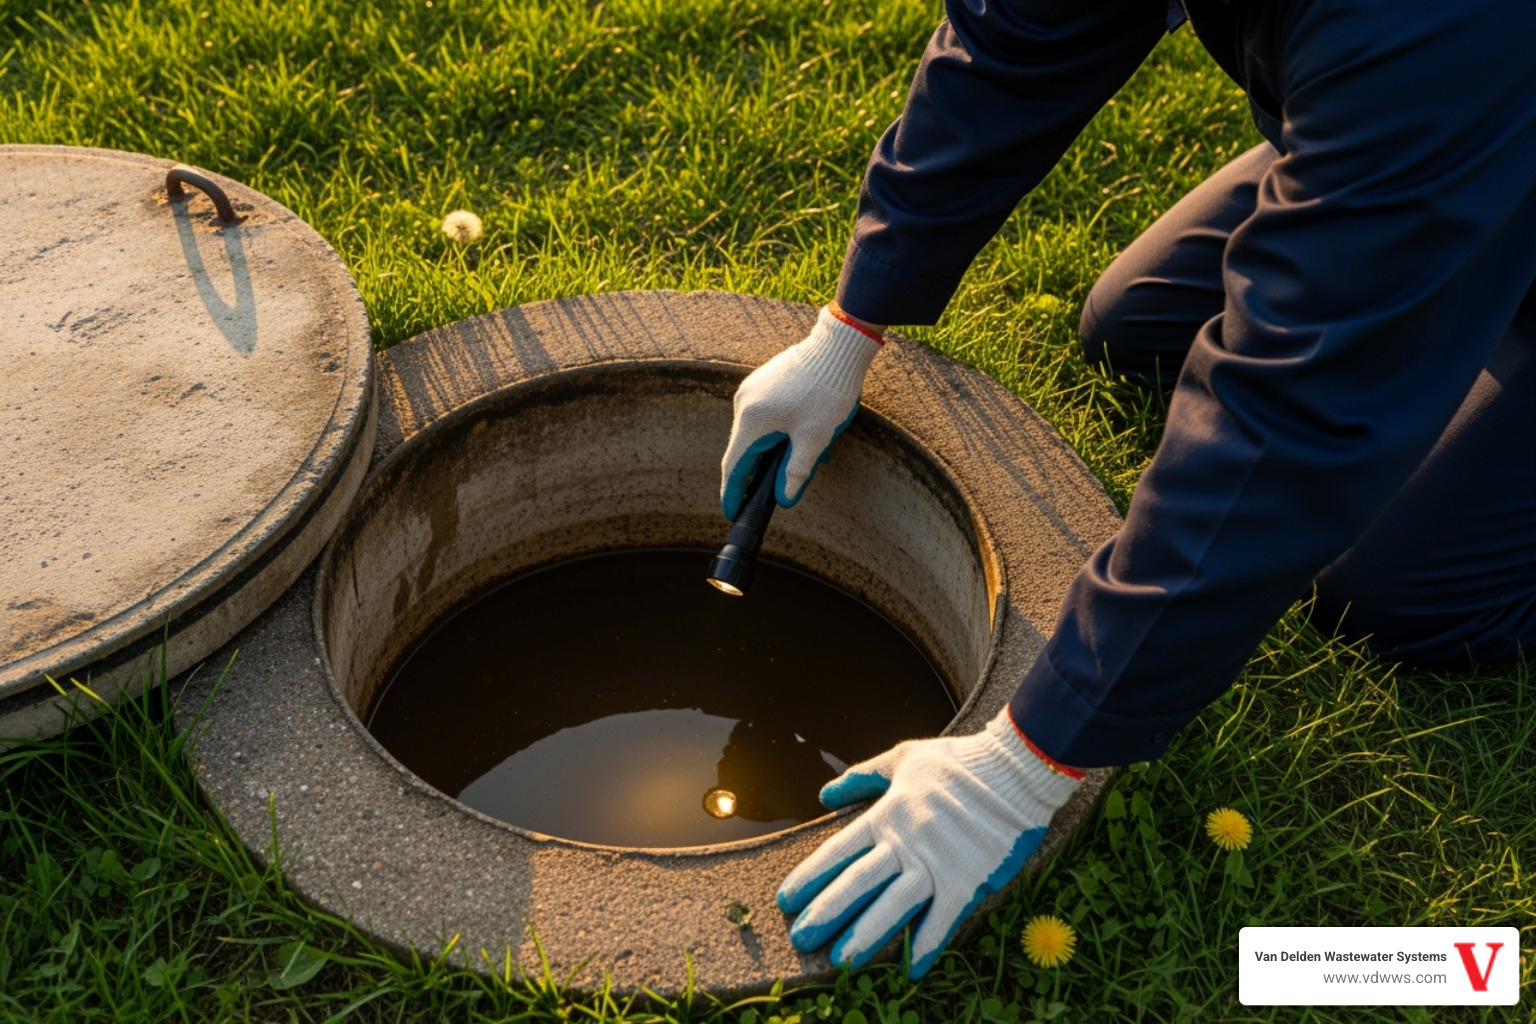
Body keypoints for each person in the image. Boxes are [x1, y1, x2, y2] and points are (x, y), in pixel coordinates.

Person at [718, 0, 1536, 980]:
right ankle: (1395, 200)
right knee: (1133, 324)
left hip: (1453, 85)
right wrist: (855, 322)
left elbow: (1291, 422)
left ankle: (1417, 225)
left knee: (1397, 589)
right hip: (1441, 110)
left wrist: (1028, 761)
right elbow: (1015, 38)